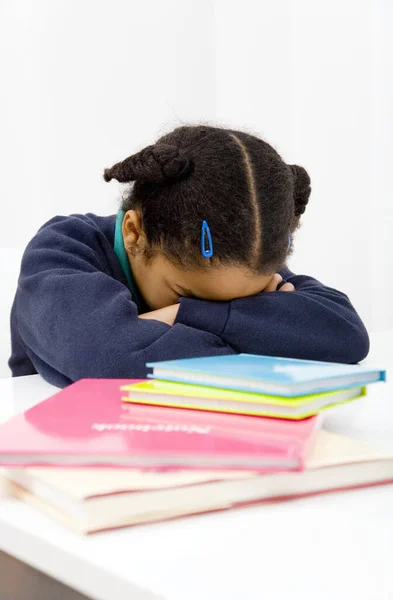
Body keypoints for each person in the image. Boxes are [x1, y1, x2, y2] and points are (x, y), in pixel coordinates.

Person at [9, 125, 369, 388]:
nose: (236, 306)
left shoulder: (240, 258)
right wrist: (269, 329)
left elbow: (347, 334)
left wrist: (183, 312)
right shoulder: (61, 251)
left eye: (251, 301)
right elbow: (113, 359)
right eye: (189, 295)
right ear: (134, 232)